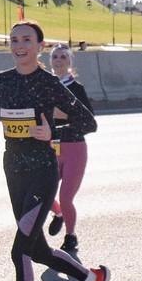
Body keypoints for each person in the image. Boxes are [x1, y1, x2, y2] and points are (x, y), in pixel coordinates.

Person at [0, 22, 112, 281]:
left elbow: (88, 123)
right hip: (13, 171)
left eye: (27, 40)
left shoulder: (49, 84)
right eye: (14, 40)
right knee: (37, 250)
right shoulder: (2, 80)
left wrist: (51, 129)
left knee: (19, 251)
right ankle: (90, 278)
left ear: (39, 46)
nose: (19, 45)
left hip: (41, 172)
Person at [45, 44, 98, 258]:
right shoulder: (44, 86)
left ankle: (71, 236)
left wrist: (65, 116)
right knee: (42, 192)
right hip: (50, 147)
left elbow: (90, 123)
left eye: (63, 57)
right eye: (55, 56)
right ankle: (57, 213)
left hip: (75, 147)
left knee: (66, 197)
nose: (58, 60)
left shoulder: (77, 89)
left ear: (70, 62)